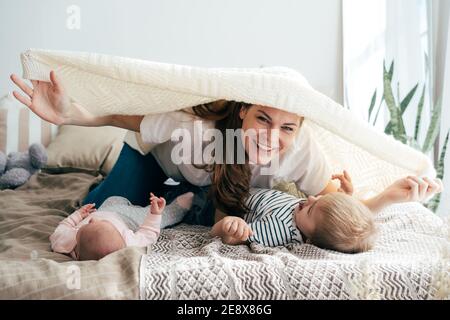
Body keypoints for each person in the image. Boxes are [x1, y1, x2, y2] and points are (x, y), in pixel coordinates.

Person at [7, 71, 390, 223]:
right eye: (263, 119)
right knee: (99, 209)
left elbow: (335, 205)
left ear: (299, 130)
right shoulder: (193, 129)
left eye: (287, 127)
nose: (273, 136)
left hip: (206, 183)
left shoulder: (300, 151)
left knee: (209, 212)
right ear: (243, 112)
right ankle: (106, 180)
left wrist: (384, 197)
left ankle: (192, 194)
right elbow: (117, 116)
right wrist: (64, 115)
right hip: (155, 162)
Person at [210, 175, 443, 253]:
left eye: (311, 209)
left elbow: (236, 236)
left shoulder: (281, 230)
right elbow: (338, 216)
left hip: (218, 202)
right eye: (321, 199)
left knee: (191, 201)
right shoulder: (309, 214)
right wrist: (345, 197)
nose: (310, 198)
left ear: (310, 239)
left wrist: (228, 227)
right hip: (238, 187)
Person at [50, 192, 193, 260]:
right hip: (127, 218)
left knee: (113, 198)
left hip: (105, 208)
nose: (91, 221)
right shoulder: (128, 244)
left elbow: (61, 229)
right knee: (158, 216)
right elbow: (148, 233)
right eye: (85, 226)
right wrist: (155, 214)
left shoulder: (66, 242)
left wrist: (77, 216)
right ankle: (176, 208)